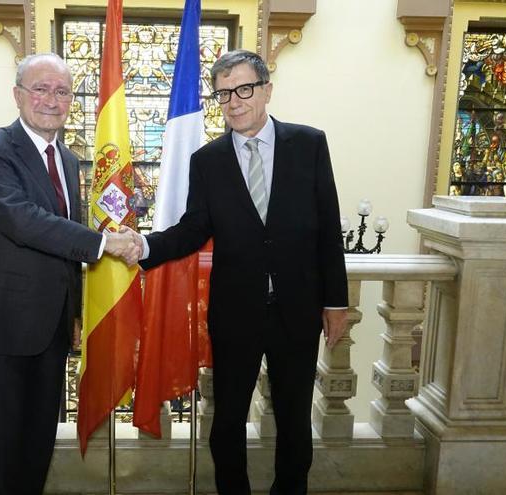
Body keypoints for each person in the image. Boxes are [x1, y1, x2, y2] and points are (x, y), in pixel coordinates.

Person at [132, 50, 348, 494]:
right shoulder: (207, 161)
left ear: (267, 90)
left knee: (293, 419)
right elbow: (194, 229)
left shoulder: (308, 144)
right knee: (226, 422)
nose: (234, 101)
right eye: (224, 93)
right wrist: (145, 245)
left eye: (244, 89)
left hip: (297, 311)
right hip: (235, 314)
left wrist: (336, 302)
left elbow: (329, 226)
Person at [0, 53, 140, 495]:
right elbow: (23, 221)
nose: (52, 100)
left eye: (61, 91)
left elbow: (61, 250)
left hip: (50, 329)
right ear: (18, 95)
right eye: (40, 89)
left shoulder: (69, 161)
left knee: (37, 447)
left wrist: (72, 313)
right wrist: (104, 242)